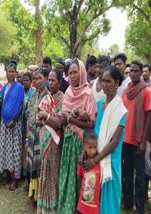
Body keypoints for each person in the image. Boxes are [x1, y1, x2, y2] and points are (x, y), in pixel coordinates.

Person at [58, 59, 97, 213]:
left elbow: (90, 124)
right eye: (70, 73)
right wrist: (74, 115)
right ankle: (66, 209)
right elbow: (64, 114)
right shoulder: (68, 92)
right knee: (67, 178)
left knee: (79, 180)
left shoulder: (88, 93)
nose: (72, 76)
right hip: (68, 142)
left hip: (81, 145)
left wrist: (70, 118)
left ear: (82, 73)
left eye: (75, 72)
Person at [88, 65, 126, 213]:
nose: (104, 84)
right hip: (95, 156)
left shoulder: (121, 110)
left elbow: (114, 141)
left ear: (117, 83)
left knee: (109, 202)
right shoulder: (98, 105)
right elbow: (94, 133)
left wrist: (95, 159)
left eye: (108, 81)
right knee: (93, 199)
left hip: (110, 161)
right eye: (103, 80)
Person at [122, 60, 151, 214]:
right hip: (125, 140)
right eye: (130, 71)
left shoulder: (146, 91)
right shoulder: (127, 90)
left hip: (138, 141)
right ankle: (127, 203)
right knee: (126, 174)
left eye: (135, 71)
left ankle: (139, 208)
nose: (132, 73)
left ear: (141, 72)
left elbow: (149, 116)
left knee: (139, 177)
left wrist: (143, 141)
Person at [37, 68, 64, 214]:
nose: (51, 83)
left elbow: (59, 123)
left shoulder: (62, 98)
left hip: (55, 141)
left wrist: (46, 117)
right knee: (44, 172)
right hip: (44, 139)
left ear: (60, 83)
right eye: (50, 80)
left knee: (53, 174)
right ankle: (44, 207)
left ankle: (53, 207)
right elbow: (37, 119)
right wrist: (45, 120)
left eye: (54, 80)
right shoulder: (46, 98)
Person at [0, 61, 24, 190]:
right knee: (6, 150)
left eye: (13, 71)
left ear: (16, 73)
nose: (11, 73)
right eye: (9, 71)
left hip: (15, 124)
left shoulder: (19, 87)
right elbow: (0, 98)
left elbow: (21, 105)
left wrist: (14, 120)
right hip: (4, 124)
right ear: (6, 73)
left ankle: (15, 179)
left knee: (15, 151)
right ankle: (7, 174)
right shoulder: (5, 87)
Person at [26, 69, 48, 203]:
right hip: (32, 132)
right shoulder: (33, 94)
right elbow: (29, 112)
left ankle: (40, 195)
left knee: (40, 164)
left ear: (44, 78)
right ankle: (33, 192)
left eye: (40, 78)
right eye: (35, 78)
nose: (37, 81)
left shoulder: (47, 95)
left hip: (42, 133)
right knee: (32, 162)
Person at [77, 129, 101, 214]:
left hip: (94, 206)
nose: (93, 151)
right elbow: (80, 178)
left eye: (95, 147)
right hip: (83, 204)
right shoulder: (82, 163)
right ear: (84, 146)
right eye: (90, 147)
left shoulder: (99, 163)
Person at [22, 72, 35, 187]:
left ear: (31, 82)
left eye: (27, 80)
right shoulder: (20, 91)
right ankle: (22, 171)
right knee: (22, 147)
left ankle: (27, 173)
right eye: (24, 80)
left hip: (29, 123)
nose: (25, 82)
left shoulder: (33, 93)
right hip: (20, 123)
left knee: (28, 148)